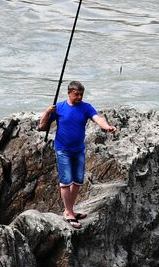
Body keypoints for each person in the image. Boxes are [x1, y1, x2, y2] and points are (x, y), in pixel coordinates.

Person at [38, 80, 117, 228]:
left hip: (79, 149)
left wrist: (107, 127)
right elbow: (42, 127)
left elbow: (97, 118)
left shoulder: (86, 107)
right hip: (62, 149)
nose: (79, 97)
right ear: (69, 93)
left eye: (81, 94)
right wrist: (47, 112)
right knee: (66, 180)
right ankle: (68, 212)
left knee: (78, 180)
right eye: (76, 94)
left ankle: (71, 210)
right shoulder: (59, 107)